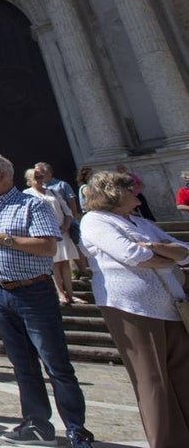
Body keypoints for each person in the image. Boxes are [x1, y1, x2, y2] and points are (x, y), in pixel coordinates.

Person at [0, 152, 94, 448]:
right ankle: (37, 424)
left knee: (56, 364)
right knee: (22, 364)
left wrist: (2, 239)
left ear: (4, 175)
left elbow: (48, 247)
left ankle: (77, 429)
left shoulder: (32, 205)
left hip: (34, 292)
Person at [80, 171, 189, 446]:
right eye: (131, 189)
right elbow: (130, 255)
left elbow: (185, 250)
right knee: (152, 379)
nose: (137, 193)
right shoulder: (95, 221)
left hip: (171, 306)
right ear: (114, 193)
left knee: (183, 373)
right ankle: (165, 441)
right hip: (131, 308)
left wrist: (154, 247)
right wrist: (168, 255)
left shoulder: (140, 222)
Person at [24, 168, 83, 305]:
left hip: (63, 231)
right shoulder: (27, 194)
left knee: (66, 263)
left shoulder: (52, 191)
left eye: (40, 176)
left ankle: (71, 294)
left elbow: (67, 211)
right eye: (35, 177)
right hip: (47, 234)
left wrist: (67, 225)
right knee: (55, 264)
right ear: (29, 181)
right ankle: (60, 293)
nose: (39, 178)